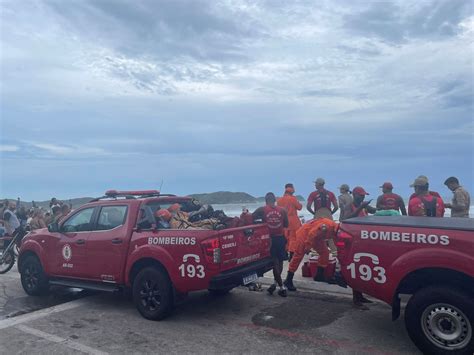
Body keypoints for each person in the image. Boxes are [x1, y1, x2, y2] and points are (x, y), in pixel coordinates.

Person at [341, 186, 375, 309]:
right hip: (353, 240)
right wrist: (361, 207)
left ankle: (360, 295)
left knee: (363, 268)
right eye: (361, 195)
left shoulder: (363, 204)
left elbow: (374, 211)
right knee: (355, 268)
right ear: (354, 195)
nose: (363, 197)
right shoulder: (349, 206)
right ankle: (356, 299)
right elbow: (345, 219)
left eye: (364, 195)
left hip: (363, 239)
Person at [283, 218, 338, 292]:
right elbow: (311, 233)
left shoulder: (336, 230)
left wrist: (340, 251)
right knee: (298, 256)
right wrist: (308, 247)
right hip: (305, 234)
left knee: (325, 253)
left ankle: (319, 275)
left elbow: (336, 241)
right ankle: (288, 280)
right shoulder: (325, 227)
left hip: (317, 238)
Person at [253, 192, 289, 297]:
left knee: (275, 263)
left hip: (270, 240)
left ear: (266, 200)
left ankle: (282, 287)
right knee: (280, 262)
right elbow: (286, 224)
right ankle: (274, 284)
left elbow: (252, 218)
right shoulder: (282, 210)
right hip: (281, 238)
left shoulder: (262, 209)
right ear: (275, 200)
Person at [277, 183, 302, 261]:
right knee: (293, 238)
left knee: (285, 237)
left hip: (283, 221)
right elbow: (299, 207)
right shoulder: (293, 199)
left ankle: (285, 253)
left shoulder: (279, 200)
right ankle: (292, 254)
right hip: (293, 221)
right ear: (291, 189)